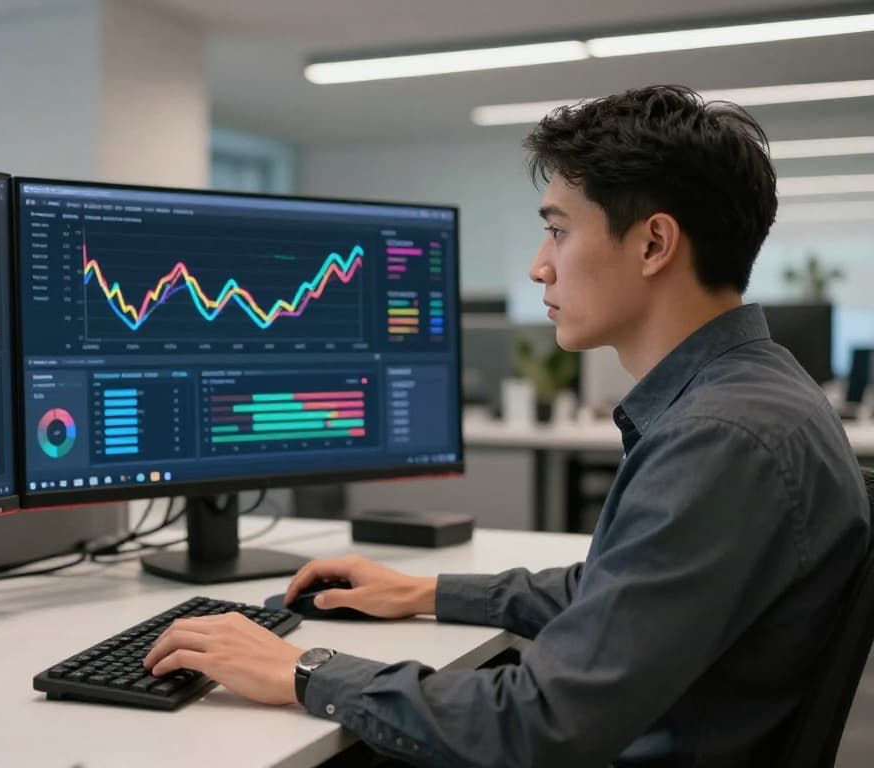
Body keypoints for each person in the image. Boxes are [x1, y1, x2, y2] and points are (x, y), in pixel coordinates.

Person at [142, 84, 871, 767]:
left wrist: (304, 668)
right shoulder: (755, 396)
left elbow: (540, 722)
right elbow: (620, 591)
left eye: (557, 231)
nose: (538, 267)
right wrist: (423, 593)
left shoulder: (721, 438)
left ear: (654, 244)